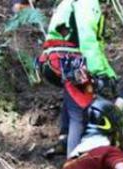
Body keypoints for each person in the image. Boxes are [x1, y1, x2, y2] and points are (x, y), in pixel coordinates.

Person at [39, 0, 117, 158]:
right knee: (80, 113)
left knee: (73, 99)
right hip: (70, 59)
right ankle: (73, 160)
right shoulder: (86, 2)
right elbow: (87, 37)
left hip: (54, 58)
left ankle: (65, 137)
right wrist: (100, 72)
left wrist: (109, 72)